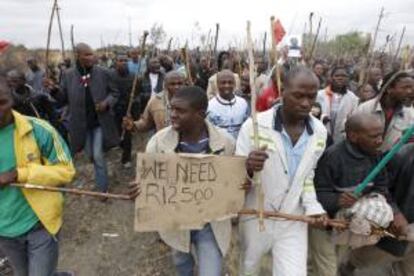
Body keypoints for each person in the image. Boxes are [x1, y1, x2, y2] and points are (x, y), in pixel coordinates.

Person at [130, 86, 236, 276]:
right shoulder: (158, 142)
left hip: (210, 225)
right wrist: (140, 192)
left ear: (200, 114)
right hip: (176, 223)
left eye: (180, 111)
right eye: (172, 109)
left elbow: (236, 182)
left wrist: (244, 180)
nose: (173, 115)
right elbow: (149, 183)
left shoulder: (226, 143)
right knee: (181, 264)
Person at [237, 67, 328, 275]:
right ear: (282, 91)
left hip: (292, 218)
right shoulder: (254, 126)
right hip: (257, 214)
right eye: (298, 95)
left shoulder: (319, 132)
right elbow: (236, 179)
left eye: (311, 96)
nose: (306, 103)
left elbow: (307, 176)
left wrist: (313, 207)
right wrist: (248, 168)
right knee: (249, 267)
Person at [0, 79, 75, 276]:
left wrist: (19, 174)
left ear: (13, 100)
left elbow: (66, 171)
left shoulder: (39, 130)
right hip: (5, 232)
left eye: (2, 102)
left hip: (39, 225)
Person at [312, 113, 394, 276]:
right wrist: (337, 200)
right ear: (353, 136)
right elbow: (317, 191)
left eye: (381, 135)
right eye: (373, 136)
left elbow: (381, 186)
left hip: (350, 221)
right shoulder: (332, 157)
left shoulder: (376, 154)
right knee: (326, 263)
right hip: (325, 220)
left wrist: (371, 200)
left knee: (339, 256)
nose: (379, 140)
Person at [45, 42, 120, 193]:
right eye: (87, 54)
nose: (91, 57)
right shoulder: (68, 75)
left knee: (98, 156)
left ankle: (102, 189)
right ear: (77, 56)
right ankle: (100, 171)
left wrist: (106, 103)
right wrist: (53, 90)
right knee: (90, 155)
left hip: (100, 122)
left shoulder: (104, 73)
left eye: (92, 54)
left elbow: (115, 94)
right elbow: (63, 99)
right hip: (81, 125)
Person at [340, 142, 414, 276]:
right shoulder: (403, 154)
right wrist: (395, 212)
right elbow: (378, 184)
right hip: (394, 232)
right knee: (361, 259)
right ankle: (347, 267)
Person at [354, 71, 414, 152]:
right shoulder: (366, 108)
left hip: (392, 161)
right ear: (389, 89)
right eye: (405, 88)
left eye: (412, 88)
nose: (410, 91)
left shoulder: (409, 113)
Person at [316, 66, 359, 143]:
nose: (340, 78)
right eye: (337, 76)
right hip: (321, 134)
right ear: (331, 78)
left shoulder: (353, 98)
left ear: (348, 79)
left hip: (342, 137)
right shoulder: (320, 95)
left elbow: (354, 118)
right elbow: (314, 113)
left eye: (344, 76)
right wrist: (322, 118)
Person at [110, 52, 138, 168]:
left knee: (127, 135)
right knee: (117, 133)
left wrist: (134, 111)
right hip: (115, 110)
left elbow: (137, 94)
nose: (123, 63)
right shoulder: (111, 76)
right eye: (121, 60)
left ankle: (126, 159)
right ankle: (121, 145)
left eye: (126, 60)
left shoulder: (133, 77)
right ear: (116, 62)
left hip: (128, 110)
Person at [207, 70, 249, 139]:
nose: (227, 85)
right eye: (223, 83)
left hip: (240, 146)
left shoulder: (243, 103)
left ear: (235, 84)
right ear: (217, 84)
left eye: (230, 82)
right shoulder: (210, 106)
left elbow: (247, 127)